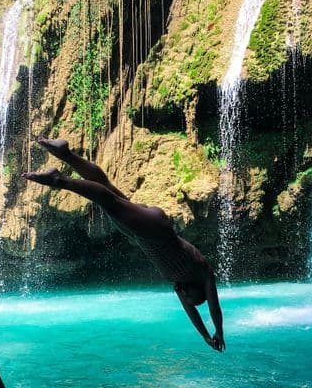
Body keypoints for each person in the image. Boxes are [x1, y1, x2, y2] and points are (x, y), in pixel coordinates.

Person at [21, 138, 225, 352]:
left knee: (108, 190)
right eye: (190, 298)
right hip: (156, 230)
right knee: (109, 202)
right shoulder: (203, 272)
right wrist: (219, 331)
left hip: (141, 235)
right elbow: (214, 306)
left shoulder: (178, 284)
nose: (185, 298)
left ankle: (66, 155)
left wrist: (204, 336)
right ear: (198, 290)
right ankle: (59, 180)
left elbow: (190, 311)